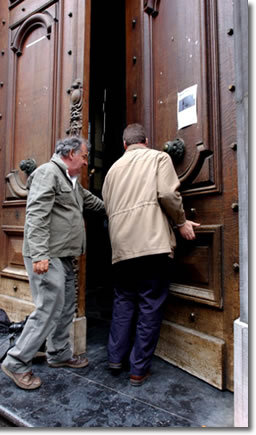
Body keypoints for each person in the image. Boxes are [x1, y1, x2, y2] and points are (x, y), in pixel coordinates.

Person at [1, 136, 105, 390]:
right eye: (83, 156)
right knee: (48, 308)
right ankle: (16, 361)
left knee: (66, 306)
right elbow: (36, 215)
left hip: (64, 255)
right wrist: (39, 255)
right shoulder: (48, 173)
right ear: (70, 153)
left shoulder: (70, 180)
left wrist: (122, 208)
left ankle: (58, 353)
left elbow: (91, 202)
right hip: (47, 255)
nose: (84, 162)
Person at [102, 123, 200, 386]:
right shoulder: (159, 157)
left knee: (123, 301)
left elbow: (107, 208)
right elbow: (168, 192)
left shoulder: (111, 171)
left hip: (121, 248)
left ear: (124, 145)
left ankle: (115, 358)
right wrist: (181, 222)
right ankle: (138, 370)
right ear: (146, 140)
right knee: (149, 304)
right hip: (152, 244)